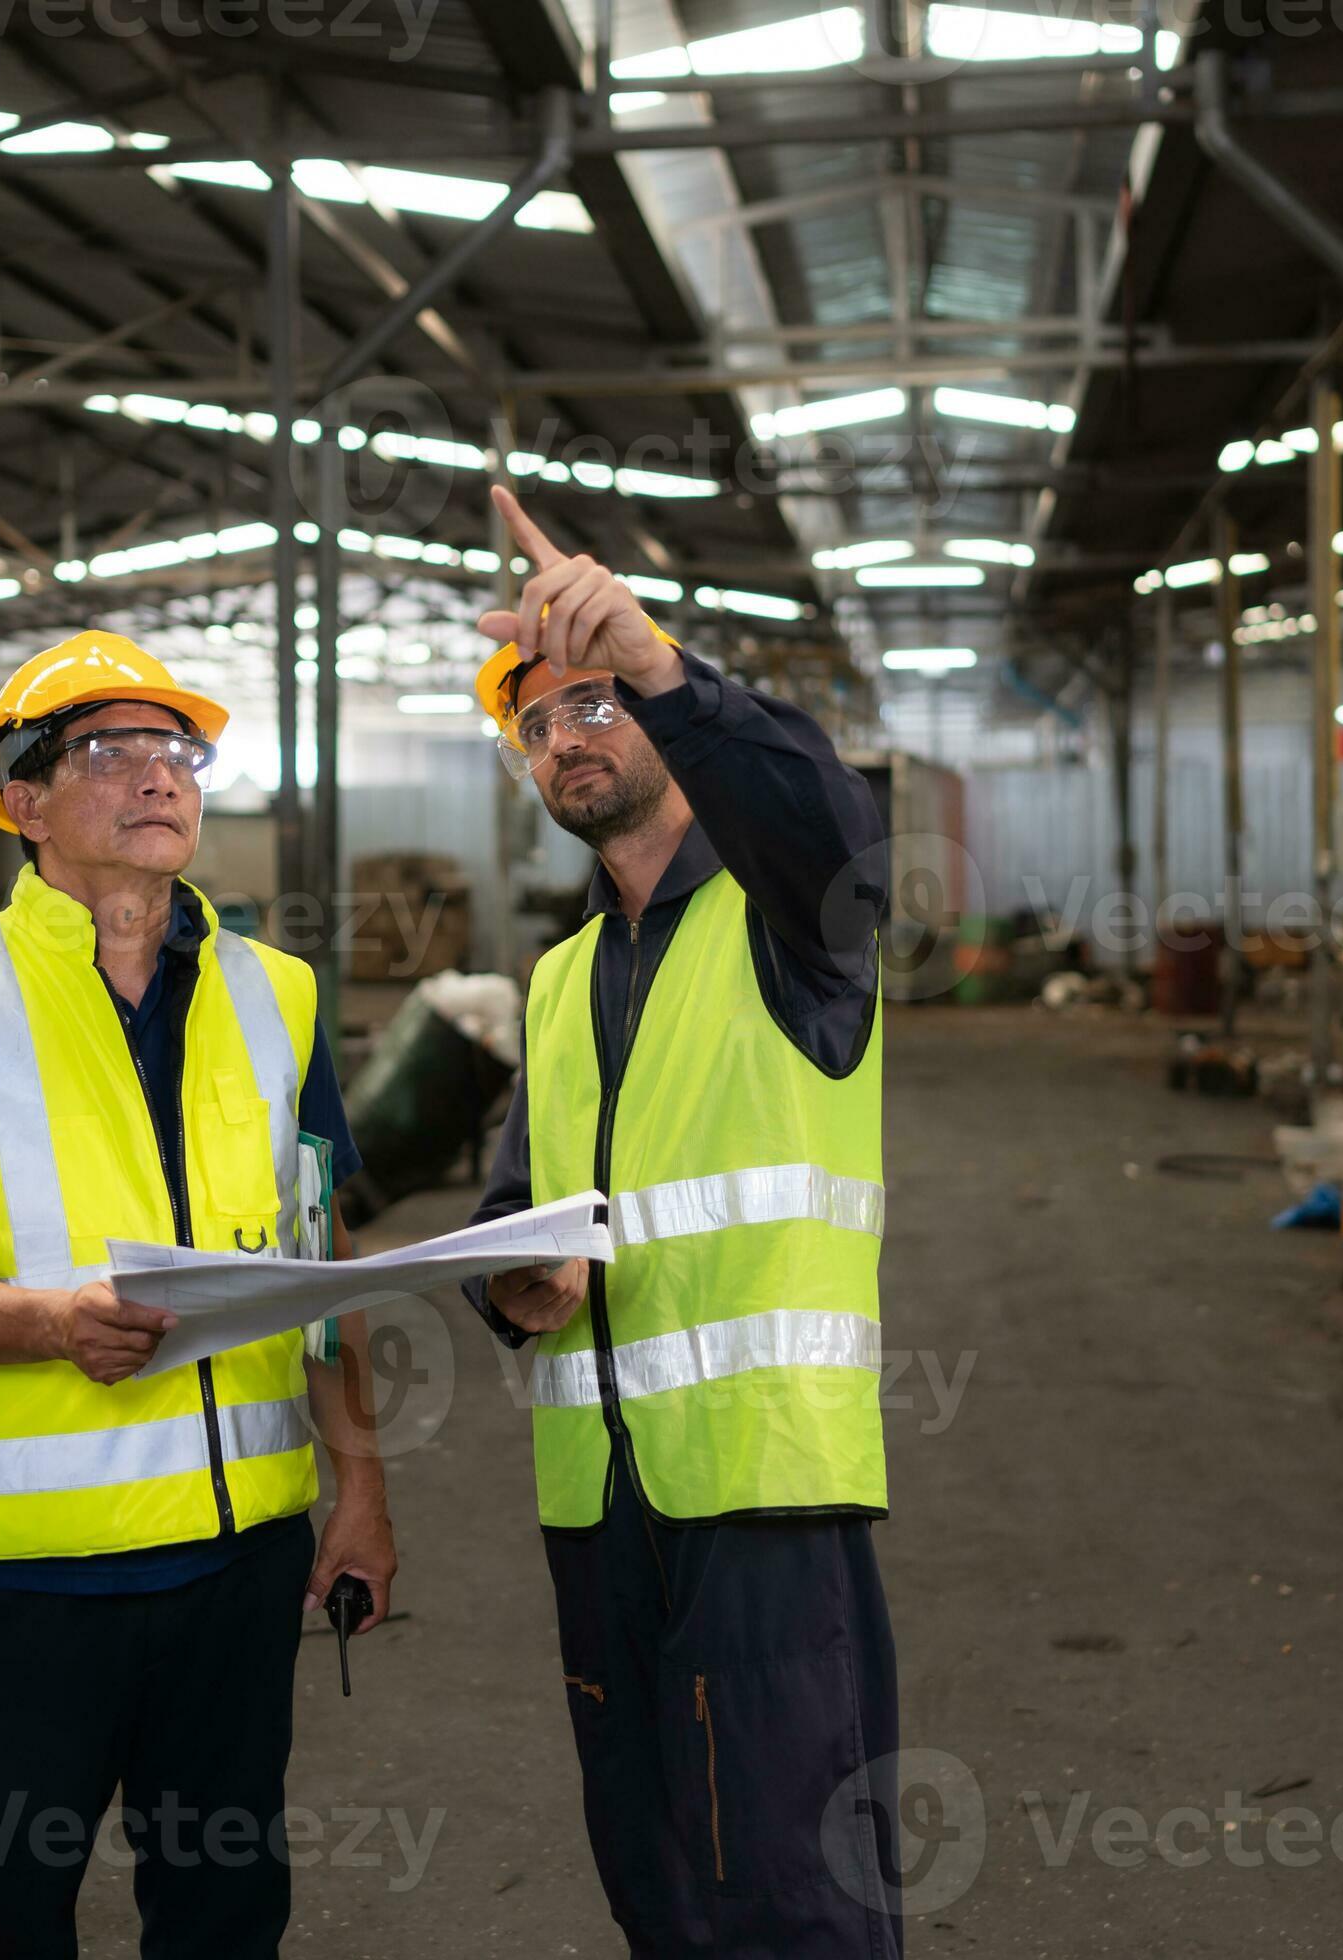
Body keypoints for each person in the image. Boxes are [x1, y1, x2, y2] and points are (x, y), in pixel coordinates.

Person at [0, 630, 397, 1958]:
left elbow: (322, 1268)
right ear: (22, 802)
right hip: (19, 1583)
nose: (159, 777)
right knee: (9, 1922)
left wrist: (361, 1488)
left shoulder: (284, 996)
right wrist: (46, 1322)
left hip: (238, 1563)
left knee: (224, 1911)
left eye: (177, 751)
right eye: (110, 751)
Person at [461, 487, 901, 1956]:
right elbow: (513, 1206)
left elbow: (826, 817)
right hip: (598, 1502)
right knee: (653, 1878)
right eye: (538, 721)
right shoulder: (557, 976)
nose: (566, 735)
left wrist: (661, 663)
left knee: (789, 1888)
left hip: (759, 1492)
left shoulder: (796, 926)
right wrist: (511, 1282)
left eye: (593, 703)